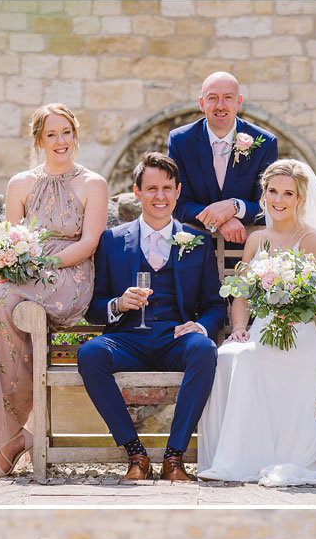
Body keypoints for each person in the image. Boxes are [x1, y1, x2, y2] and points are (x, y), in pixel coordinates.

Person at [0, 104, 107, 477]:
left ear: (75, 136)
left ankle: (18, 437)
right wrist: (8, 263)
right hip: (28, 272)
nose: (61, 141)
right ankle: (18, 434)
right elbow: (10, 237)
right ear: (39, 140)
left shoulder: (93, 184)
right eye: (52, 134)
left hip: (68, 275)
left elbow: (89, 243)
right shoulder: (20, 183)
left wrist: (45, 266)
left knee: (3, 301)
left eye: (67, 133)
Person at [197, 160, 316, 484]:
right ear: (264, 194)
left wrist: (294, 313)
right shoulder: (256, 241)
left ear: (300, 198)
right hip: (264, 331)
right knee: (225, 356)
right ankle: (232, 458)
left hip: (309, 334)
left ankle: (250, 461)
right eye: (273, 191)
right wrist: (239, 328)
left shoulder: (314, 241)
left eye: (288, 193)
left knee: (252, 359)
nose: (279, 200)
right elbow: (241, 296)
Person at [81, 152, 225, 482]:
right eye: (151, 189)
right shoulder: (112, 241)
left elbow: (216, 305)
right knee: (90, 354)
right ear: (137, 192)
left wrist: (200, 326)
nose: (159, 197)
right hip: (127, 338)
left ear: (177, 192)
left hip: (175, 337)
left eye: (167, 188)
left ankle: (174, 457)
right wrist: (117, 304)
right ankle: (136, 454)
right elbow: (94, 307)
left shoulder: (198, 241)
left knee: (204, 350)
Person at [167, 71, 279, 245]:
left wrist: (235, 207)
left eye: (228, 97)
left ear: (238, 102)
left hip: (247, 253)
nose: (220, 105)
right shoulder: (181, 141)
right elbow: (179, 203)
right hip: (195, 251)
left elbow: (269, 206)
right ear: (202, 103)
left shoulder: (265, 143)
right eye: (212, 98)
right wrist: (219, 219)